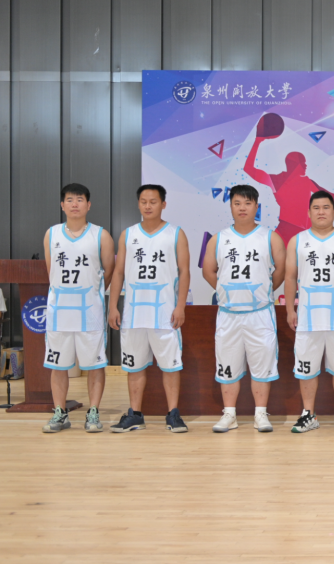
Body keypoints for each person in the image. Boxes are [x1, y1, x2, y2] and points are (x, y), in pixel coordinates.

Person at [202, 185, 286, 432]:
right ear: (230, 206)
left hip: (260, 313)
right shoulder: (219, 238)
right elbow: (208, 271)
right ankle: (230, 414)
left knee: (262, 365)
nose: (242, 208)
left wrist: (263, 291)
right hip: (228, 313)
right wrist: (226, 291)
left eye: (248, 203)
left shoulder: (270, 237)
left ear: (257, 207)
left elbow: (280, 271)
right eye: (237, 203)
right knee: (227, 365)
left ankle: (261, 414)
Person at [107, 185, 191, 433]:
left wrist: (181, 306)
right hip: (133, 314)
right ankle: (135, 414)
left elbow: (185, 272)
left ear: (163, 204)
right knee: (134, 366)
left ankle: (173, 414)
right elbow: (118, 272)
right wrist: (112, 306)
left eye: (153, 201)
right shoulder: (128, 234)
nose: (147, 206)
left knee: (171, 366)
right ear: (138, 204)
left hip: (165, 314)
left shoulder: (176, 234)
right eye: (143, 201)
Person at [284, 191, 334, 433]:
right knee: (306, 369)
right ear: (308, 212)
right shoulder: (297, 241)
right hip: (307, 318)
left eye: (326, 207)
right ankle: (309, 414)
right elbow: (290, 277)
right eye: (316, 208)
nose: (321, 212)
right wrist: (290, 309)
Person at [41, 184, 115, 433]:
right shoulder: (52, 234)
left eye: (80, 199)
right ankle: (60, 412)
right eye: (70, 200)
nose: (75, 204)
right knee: (58, 365)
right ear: (62, 205)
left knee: (95, 364)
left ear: (88, 205)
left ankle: (93, 412)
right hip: (59, 312)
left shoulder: (100, 235)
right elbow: (51, 271)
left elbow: (108, 271)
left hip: (90, 313)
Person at [241, 112, 334, 245]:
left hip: (305, 232)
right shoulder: (276, 181)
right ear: (294, 165)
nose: (305, 165)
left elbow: (331, 196)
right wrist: (257, 141)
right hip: (286, 231)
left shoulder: (306, 181)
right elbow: (248, 169)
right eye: (302, 162)